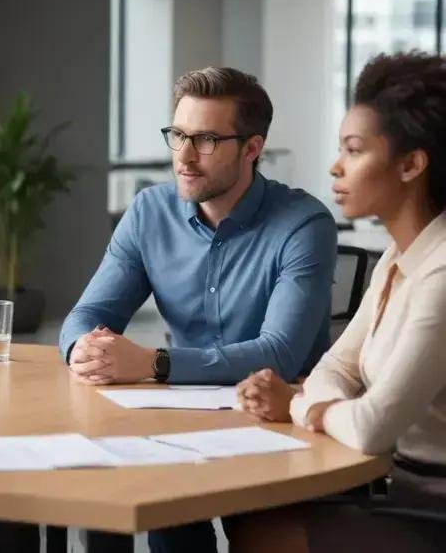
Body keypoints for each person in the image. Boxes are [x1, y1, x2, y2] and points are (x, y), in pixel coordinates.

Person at [60, 67, 337, 553]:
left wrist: (154, 363)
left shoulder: (304, 223)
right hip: (178, 419)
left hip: (274, 425)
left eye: (206, 140)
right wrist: (83, 348)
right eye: (178, 136)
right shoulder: (149, 212)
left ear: (251, 149)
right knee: (103, 494)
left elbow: (280, 354)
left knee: (171, 511)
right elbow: (87, 314)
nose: (184, 157)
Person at [232, 51, 446, 553]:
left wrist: (300, 405)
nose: (335, 166)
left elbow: (372, 428)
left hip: (433, 511)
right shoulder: (400, 256)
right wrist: (318, 400)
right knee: (253, 515)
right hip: (401, 491)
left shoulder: (441, 273)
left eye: (353, 150)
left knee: (265, 531)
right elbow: (336, 366)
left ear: (412, 164)